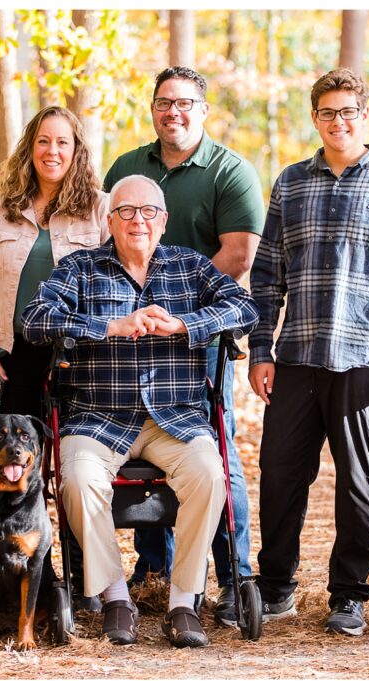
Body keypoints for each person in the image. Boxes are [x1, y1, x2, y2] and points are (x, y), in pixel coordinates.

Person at [20, 175, 259, 648]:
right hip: (97, 417)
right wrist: (109, 326)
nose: (138, 221)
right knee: (78, 479)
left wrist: (184, 324)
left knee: (211, 475)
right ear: (110, 220)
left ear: (164, 220)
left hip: (176, 418)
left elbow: (245, 308)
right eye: (126, 211)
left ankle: (182, 602)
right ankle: (114, 599)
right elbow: (34, 319)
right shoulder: (81, 268)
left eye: (149, 211)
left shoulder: (190, 268)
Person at [248, 68, 369, 636]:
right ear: (315, 118)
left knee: (358, 482)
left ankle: (348, 594)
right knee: (280, 475)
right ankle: (276, 586)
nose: (338, 122)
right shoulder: (289, 183)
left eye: (348, 111)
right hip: (298, 356)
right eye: (327, 113)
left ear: (364, 116)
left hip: (367, 361)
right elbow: (266, 277)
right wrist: (261, 349)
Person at [103, 66, 264, 627]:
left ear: (204, 110)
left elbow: (240, 254)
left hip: (199, 339)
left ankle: (231, 576)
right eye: (165, 102)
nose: (175, 112)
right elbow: (111, 249)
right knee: (142, 447)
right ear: (153, 108)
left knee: (217, 455)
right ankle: (157, 570)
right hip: (135, 342)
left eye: (186, 103)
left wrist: (177, 314)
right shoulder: (127, 168)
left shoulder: (230, 171)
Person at [0, 106, 110, 612]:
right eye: (44, 142)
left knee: (76, 464)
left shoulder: (99, 208)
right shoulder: (1, 208)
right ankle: (37, 574)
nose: (53, 152)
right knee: (21, 467)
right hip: (19, 355)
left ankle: (84, 577)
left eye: (63, 143)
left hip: (83, 354)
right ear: (30, 147)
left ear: (77, 151)